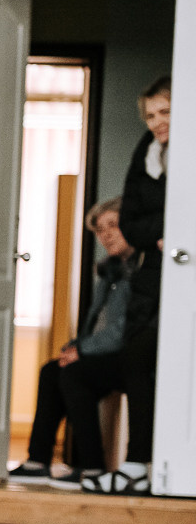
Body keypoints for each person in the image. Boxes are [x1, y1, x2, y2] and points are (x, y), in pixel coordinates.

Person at [8, 198, 135, 489]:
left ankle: (92, 468)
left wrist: (82, 351)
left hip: (130, 357)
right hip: (104, 353)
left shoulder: (141, 272)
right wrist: (74, 347)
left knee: (74, 374)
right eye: (100, 230)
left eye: (113, 225)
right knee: (51, 370)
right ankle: (37, 461)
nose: (106, 235)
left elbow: (123, 331)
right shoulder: (110, 271)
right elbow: (96, 323)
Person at [83, 76, 169, 495]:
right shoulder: (146, 152)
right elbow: (132, 223)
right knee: (138, 359)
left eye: (165, 113)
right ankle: (136, 464)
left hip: (179, 271)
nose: (157, 123)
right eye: (150, 115)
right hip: (155, 275)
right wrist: (163, 232)